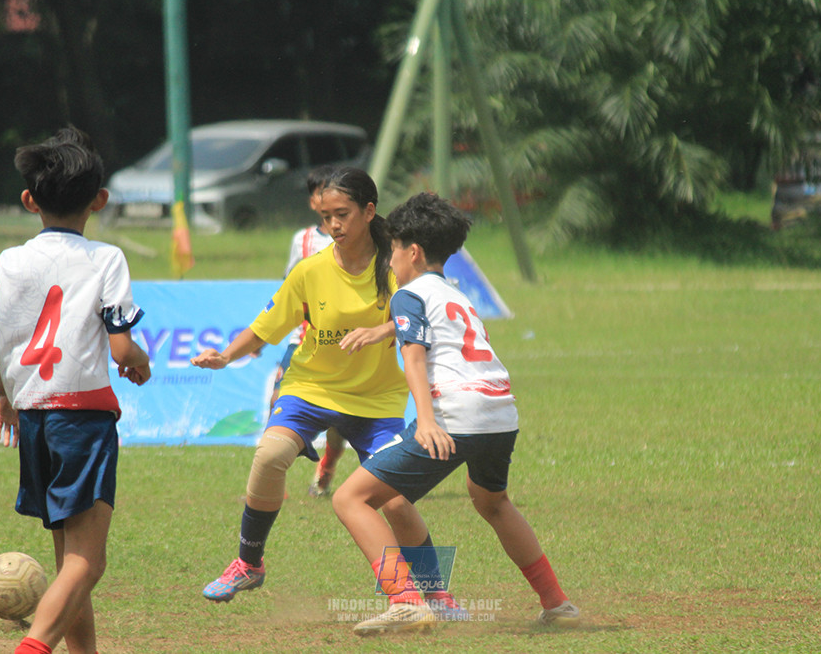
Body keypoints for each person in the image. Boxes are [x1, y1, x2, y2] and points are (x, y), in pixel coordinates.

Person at [191, 168, 462, 625]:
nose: (333, 225)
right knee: (270, 455)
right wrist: (226, 356)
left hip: (376, 402)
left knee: (397, 500)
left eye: (343, 214)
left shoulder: (396, 265)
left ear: (369, 211)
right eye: (326, 216)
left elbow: (425, 317)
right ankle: (249, 563)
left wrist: (380, 331)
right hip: (311, 389)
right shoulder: (310, 271)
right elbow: (266, 327)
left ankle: (435, 593)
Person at [332, 192, 581, 635]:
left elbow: (414, 356)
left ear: (413, 252)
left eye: (393, 250)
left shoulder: (407, 293)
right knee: (491, 503)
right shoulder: (456, 294)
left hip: (454, 413)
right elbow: (437, 329)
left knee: (350, 498)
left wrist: (426, 421)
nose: (389, 260)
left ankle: (406, 602)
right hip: (500, 412)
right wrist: (384, 329)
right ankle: (557, 604)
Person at [0, 126, 151, 654]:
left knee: (69, 561)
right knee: (89, 562)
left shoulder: (8, 262)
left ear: (28, 200)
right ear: (99, 200)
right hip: (82, 419)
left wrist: (6, 392)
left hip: (35, 419)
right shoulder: (105, 258)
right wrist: (141, 363)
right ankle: (33, 647)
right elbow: (122, 349)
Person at [274, 164, 345, 498]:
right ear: (313, 200)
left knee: (339, 421)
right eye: (320, 193)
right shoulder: (302, 240)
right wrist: (265, 334)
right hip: (303, 337)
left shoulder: (357, 239)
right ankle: (270, 482)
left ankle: (326, 468)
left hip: (342, 341)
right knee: (278, 400)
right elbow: (289, 289)